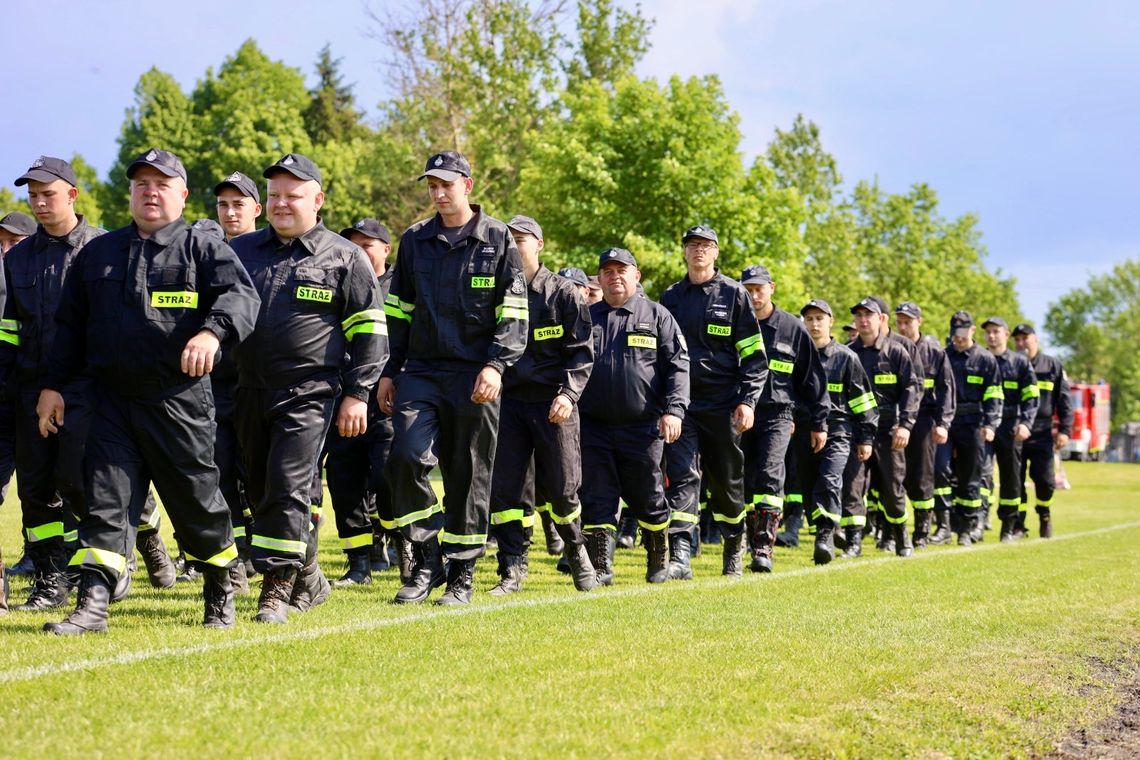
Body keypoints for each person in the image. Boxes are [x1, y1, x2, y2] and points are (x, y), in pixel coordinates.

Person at [38, 148, 260, 634]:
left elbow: (241, 297)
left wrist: (211, 332)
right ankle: (93, 602)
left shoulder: (204, 248)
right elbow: (70, 327)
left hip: (177, 401)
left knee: (196, 501)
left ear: (182, 193)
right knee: (106, 502)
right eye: (142, 183)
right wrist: (53, 386)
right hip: (110, 402)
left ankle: (220, 585)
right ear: (131, 193)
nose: (150, 191)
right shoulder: (99, 253)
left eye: (161, 183)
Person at [231, 154, 387, 623]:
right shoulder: (241, 252)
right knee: (258, 491)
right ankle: (312, 574)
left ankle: (274, 590)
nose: (281, 203)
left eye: (292, 195)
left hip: (311, 393)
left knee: (289, 486)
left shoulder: (345, 256)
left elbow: (371, 332)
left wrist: (358, 393)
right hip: (247, 392)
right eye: (274, 194)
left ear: (317, 200)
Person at [379, 151, 528, 605]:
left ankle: (461, 574)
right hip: (421, 371)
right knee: (403, 457)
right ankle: (427, 555)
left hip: (475, 374)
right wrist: (389, 370)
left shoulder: (498, 239)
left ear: (468, 184)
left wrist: (496, 365)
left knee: (468, 474)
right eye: (432, 186)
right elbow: (398, 311)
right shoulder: (415, 240)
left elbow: (514, 312)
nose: (439, 193)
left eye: (447, 184)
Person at [487, 215, 596, 594]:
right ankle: (512, 569)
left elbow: (581, 353)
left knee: (563, 489)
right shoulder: (497, 292)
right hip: (509, 404)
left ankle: (577, 551)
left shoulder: (564, 293)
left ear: (540, 244)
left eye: (523, 239)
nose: (516, 245)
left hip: (554, 404)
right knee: (506, 491)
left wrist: (568, 394)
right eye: (510, 239)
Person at [659, 225, 766, 578]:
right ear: (685, 252)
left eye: (706, 245)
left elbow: (753, 356)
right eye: (692, 245)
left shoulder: (735, 295)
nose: (699, 251)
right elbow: (660, 355)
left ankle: (734, 548)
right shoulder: (671, 297)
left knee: (726, 480)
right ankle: (680, 555)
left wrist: (748, 401)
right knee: (682, 475)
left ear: (716, 252)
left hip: (723, 405)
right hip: (682, 405)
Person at [578, 247, 689, 584]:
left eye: (621, 270)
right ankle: (601, 566)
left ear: (636, 275)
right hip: (592, 427)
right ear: (599, 279)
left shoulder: (658, 316)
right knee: (597, 498)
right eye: (607, 271)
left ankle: (658, 558)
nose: (615, 277)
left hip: (643, 428)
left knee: (649, 497)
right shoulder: (585, 318)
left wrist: (674, 410)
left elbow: (679, 367)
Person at [323, 217, 402, 586]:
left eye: (368, 244)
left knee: (389, 476)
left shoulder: (402, 286)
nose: (359, 250)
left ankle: (395, 538)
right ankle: (359, 563)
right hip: (343, 398)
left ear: (386, 249)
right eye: (353, 244)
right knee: (344, 481)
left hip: (387, 402)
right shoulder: (338, 281)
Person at [739, 264, 828, 572]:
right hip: (739, 413)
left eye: (758, 289)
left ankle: (764, 547)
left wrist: (819, 422)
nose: (753, 295)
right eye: (747, 289)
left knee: (769, 475)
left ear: (771, 288)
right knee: (743, 478)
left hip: (778, 414)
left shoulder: (793, 328)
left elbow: (812, 380)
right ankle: (745, 540)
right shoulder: (736, 324)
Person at [798, 300, 878, 563]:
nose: (814, 324)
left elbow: (863, 401)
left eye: (820, 318)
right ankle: (827, 528)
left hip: (838, 431)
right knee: (808, 485)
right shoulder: (797, 354)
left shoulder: (846, 358)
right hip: (804, 430)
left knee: (829, 480)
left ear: (830, 321)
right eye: (809, 319)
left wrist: (866, 437)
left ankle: (824, 536)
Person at [847, 297, 922, 557]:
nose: (863, 320)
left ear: (881, 319)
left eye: (869, 315)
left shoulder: (897, 352)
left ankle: (902, 537)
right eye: (859, 315)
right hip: (856, 431)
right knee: (853, 487)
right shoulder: (848, 353)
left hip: (889, 431)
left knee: (892, 489)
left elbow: (912, 389)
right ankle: (853, 543)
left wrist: (906, 426)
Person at [893, 301, 955, 548]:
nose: (903, 326)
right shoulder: (892, 348)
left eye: (908, 321)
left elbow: (947, 389)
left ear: (920, 322)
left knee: (922, 476)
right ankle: (889, 532)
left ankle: (922, 530)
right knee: (894, 475)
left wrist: (943, 423)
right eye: (899, 322)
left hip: (925, 420)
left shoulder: (934, 352)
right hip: (896, 420)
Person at [945, 312, 1002, 544]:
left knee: (971, 478)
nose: (958, 338)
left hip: (975, 425)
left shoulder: (985, 359)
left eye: (962, 333)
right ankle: (946, 525)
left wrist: (990, 424)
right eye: (954, 333)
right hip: (947, 424)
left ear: (972, 330)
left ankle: (968, 528)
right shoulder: (944, 357)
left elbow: (994, 395)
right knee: (941, 472)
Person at [1011, 323, 1073, 538]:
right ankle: (1018, 524)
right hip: (1015, 431)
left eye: (1024, 338)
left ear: (1035, 339)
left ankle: (1044, 515)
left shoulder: (1052, 365)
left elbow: (1065, 401)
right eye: (1017, 340)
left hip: (1042, 432)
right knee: (1015, 481)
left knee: (1045, 480)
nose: (1021, 344)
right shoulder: (1012, 364)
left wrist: (1065, 430)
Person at [980, 316, 1039, 541]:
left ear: (1006, 334)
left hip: (1010, 427)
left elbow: (1031, 397)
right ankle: (978, 520)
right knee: (980, 473)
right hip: (984, 427)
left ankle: (1008, 525)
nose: (991, 336)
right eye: (988, 332)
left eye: (996, 331)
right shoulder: (980, 359)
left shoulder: (1020, 363)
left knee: (1011, 478)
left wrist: (1025, 423)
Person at [214, 172, 262, 242]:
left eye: (238, 205)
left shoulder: (274, 251)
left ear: (256, 210)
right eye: (223, 205)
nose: (230, 213)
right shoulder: (209, 251)